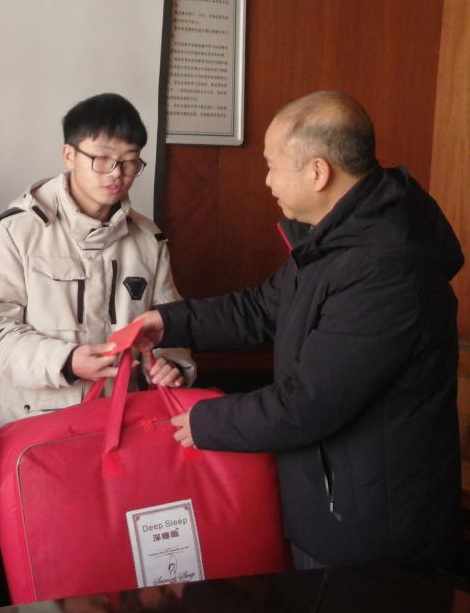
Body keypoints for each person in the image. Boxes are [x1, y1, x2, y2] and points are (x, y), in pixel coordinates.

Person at [133, 90, 464, 571]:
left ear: (317, 172)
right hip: (340, 509)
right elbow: (262, 308)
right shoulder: (341, 235)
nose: (267, 180)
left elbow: (309, 404)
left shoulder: (385, 267)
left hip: (374, 535)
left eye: (272, 165)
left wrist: (204, 423)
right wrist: (168, 322)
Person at [0, 92, 196, 452]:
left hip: (120, 428)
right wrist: (67, 361)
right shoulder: (13, 231)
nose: (117, 173)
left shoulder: (148, 240)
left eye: (130, 161)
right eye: (102, 159)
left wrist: (171, 364)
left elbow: (168, 323)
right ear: (69, 155)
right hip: (32, 431)